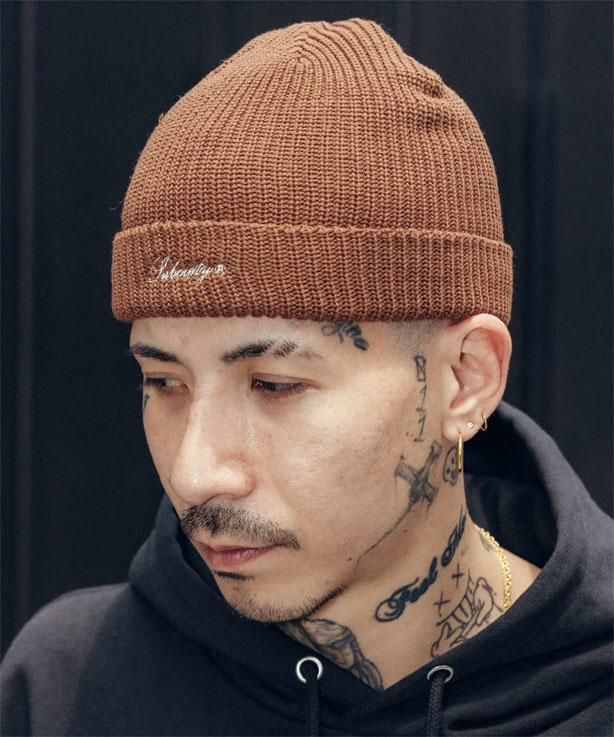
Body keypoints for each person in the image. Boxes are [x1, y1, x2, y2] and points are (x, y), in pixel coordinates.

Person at [2, 17, 612, 737]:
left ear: (465, 379)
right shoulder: (68, 688)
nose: (195, 475)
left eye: (274, 384)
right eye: (164, 383)